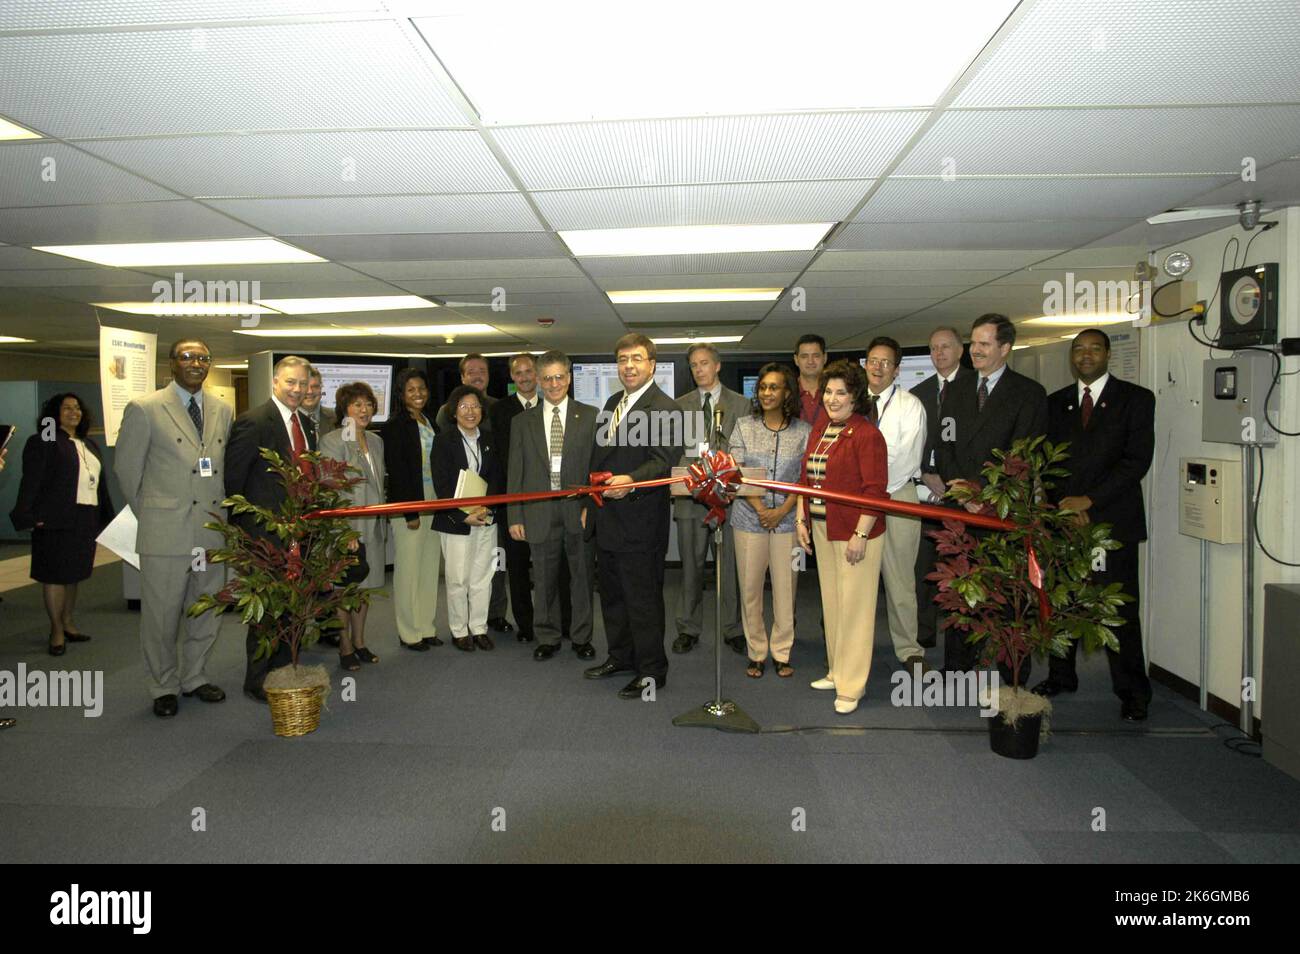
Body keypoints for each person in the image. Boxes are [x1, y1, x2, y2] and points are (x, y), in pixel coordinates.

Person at [1035, 329, 1155, 721]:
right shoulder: (1056, 404)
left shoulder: (1136, 400)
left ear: (1107, 354)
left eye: (1094, 348)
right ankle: (1061, 675)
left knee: (1116, 609)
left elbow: (1136, 462)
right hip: (1064, 522)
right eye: (1079, 349)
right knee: (1063, 603)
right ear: (1072, 356)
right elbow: (1048, 465)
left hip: (1112, 523)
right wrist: (1062, 507)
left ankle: (1133, 692)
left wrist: (1090, 501)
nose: (1086, 355)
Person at [922, 314, 1047, 678]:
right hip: (961, 508)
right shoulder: (957, 390)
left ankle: (1011, 674)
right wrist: (961, 490)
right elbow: (944, 445)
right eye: (973, 342)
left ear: (1005, 348)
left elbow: (1023, 456)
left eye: (984, 344)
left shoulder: (1028, 394)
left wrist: (986, 495)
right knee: (961, 591)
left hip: (1002, 514)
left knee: (1006, 595)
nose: (975, 350)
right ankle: (958, 667)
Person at [114, 339, 233, 718]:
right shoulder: (145, 409)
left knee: (206, 608)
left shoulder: (222, 409)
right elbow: (127, 472)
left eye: (203, 357)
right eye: (187, 357)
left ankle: (194, 676)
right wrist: (155, 514)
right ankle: (163, 683)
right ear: (172, 364)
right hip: (166, 533)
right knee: (162, 615)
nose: (196, 363)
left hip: (210, 531)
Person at [585, 333, 684, 699]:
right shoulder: (612, 402)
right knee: (612, 596)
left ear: (652, 364)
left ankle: (651, 672)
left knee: (642, 600)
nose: (629, 365)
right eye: (623, 359)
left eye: (637, 358)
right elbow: (598, 462)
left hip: (641, 521)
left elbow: (662, 461)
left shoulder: (665, 408)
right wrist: (588, 510)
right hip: (607, 517)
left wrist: (632, 480)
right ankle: (621, 657)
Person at [795, 360, 887, 716]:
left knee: (855, 610)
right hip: (823, 526)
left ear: (855, 397)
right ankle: (837, 670)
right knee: (833, 605)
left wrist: (861, 533)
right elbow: (806, 479)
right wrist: (802, 519)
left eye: (841, 393)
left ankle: (852, 685)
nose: (833, 399)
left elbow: (875, 491)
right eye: (829, 392)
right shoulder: (820, 430)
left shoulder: (867, 434)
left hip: (855, 531)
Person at [225, 355, 317, 701]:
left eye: (302, 384)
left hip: (300, 533)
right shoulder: (254, 421)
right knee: (265, 609)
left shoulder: (305, 425)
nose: (297, 390)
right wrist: (246, 533)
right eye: (290, 382)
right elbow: (234, 481)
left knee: (291, 606)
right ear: (275, 383)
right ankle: (258, 680)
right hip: (265, 536)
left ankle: (283, 669)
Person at [506, 351, 598, 662]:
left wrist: (591, 506)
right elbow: (514, 471)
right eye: (548, 378)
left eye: (560, 377)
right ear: (539, 381)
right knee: (543, 579)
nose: (554, 383)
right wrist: (515, 515)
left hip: (578, 510)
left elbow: (596, 468)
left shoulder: (589, 415)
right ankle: (547, 636)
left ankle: (582, 637)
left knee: (582, 578)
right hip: (538, 511)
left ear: (569, 379)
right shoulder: (522, 422)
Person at [10, 392, 115, 658]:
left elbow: (99, 485)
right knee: (54, 575)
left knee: (74, 573)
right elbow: (31, 479)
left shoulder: (88, 443)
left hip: (85, 517)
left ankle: (68, 623)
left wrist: (107, 517)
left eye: (77, 408)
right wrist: (28, 514)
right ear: (53, 414)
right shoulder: (46, 439)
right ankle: (56, 630)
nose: (73, 412)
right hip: (55, 519)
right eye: (66, 408)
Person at [729, 363, 810, 678]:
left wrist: (782, 510)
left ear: (787, 392)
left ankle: (782, 651)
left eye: (774, 387)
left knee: (786, 588)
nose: (766, 393)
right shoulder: (743, 426)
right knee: (750, 588)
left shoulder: (803, 431)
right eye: (762, 387)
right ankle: (757, 652)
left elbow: (804, 479)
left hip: (789, 523)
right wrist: (761, 508)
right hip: (749, 520)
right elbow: (736, 472)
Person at [671, 343, 748, 656]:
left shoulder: (742, 405)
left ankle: (733, 629)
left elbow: (746, 449)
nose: (698, 369)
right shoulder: (678, 406)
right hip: (691, 500)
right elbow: (673, 451)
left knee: (730, 566)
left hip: (730, 500)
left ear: (717, 366)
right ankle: (688, 628)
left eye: (704, 363)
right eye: (693, 365)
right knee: (691, 566)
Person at [863, 336, 930, 675]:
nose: (877, 367)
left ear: (897, 370)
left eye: (885, 362)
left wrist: (875, 489)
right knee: (857, 578)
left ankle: (908, 649)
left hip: (896, 497)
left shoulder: (910, 405)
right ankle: (854, 649)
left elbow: (907, 458)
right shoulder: (851, 404)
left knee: (900, 579)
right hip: (858, 499)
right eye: (872, 360)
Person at [435, 353, 512, 634]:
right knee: (457, 579)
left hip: (486, 517)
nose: (470, 412)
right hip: (457, 521)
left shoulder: (489, 439)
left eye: (475, 407)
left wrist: (487, 509)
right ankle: (459, 630)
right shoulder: (443, 440)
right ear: (454, 411)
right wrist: (461, 514)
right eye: (464, 407)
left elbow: (496, 477)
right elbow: (442, 484)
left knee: (483, 576)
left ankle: (478, 628)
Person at [318, 381, 388, 672]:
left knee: (365, 589)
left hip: (373, 525)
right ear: (344, 409)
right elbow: (329, 490)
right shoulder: (333, 440)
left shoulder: (375, 440)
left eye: (368, 404)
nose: (364, 409)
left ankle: (360, 642)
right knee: (345, 591)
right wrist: (343, 531)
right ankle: (344, 646)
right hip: (347, 529)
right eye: (357, 404)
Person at [911, 327, 972, 650]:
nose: (939, 353)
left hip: (963, 494)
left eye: (946, 347)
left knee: (958, 567)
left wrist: (951, 479)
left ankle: (959, 635)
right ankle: (924, 631)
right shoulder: (919, 392)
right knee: (924, 565)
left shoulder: (976, 387)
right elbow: (913, 440)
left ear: (961, 351)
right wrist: (924, 471)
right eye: (934, 348)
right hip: (925, 493)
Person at [381, 368, 441, 652]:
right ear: (401, 394)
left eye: (422, 389)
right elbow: (398, 471)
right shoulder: (395, 426)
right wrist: (410, 512)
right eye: (411, 390)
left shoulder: (430, 421)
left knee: (429, 567)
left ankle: (426, 627)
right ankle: (409, 633)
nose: (418, 394)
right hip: (411, 503)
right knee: (408, 571)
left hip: (433, 500)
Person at [488, 353, 539, 643]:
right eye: (518, 373)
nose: (524, 377)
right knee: (517, 567)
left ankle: (552, 620)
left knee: (547, 566)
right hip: (514, 501)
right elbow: (497, 459)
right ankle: (527, 625)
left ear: (537, 373)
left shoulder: (550, 405)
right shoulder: (499, 411)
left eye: (529, 371)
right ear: (512, 377)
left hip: (545, 500)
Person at [793, 333, 828, 425]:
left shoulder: (839, 393)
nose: (810, 361)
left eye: (816, 356)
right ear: (796, 360)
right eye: (804, 356)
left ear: (825, 358)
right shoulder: (787, 393)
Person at [302, 367, 338, 441]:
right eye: (305, 386)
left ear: (321, 388)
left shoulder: (337, 418)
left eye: (315, 386)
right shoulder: (288, 420)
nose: (310, 391)